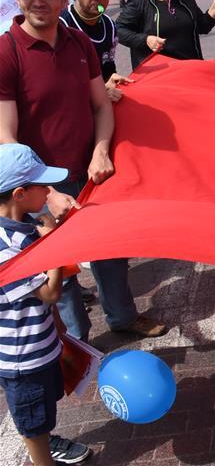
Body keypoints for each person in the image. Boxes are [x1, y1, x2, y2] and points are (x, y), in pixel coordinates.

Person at [0, 0, 166, 341]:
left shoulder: (78, 43)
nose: (38, 2)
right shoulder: (7, 52)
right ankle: (76, 340)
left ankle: (122, 317)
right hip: (36, 183)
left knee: (110, 249)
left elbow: (101, 104)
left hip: (88, 171)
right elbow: (5, 138)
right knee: (57, 266)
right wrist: (48, 192)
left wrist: (101, 151)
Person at [0, 144, 94, 466]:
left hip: (40, 341)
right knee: (33, 421)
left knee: (42, 409)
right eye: (43, 186)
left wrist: (57, 324)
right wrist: (52, 240)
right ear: (20, 194)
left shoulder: (25, 224)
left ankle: (45, 442)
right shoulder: (5, 248)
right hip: (23, 357)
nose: (49, 191)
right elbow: (51, 293)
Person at [61, 0, 131, 102]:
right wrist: (99, 93)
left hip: (101, 101)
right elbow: (57, 82)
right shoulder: (61, 26)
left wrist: (112, 81)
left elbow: (108, 67)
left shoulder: (109, 25)